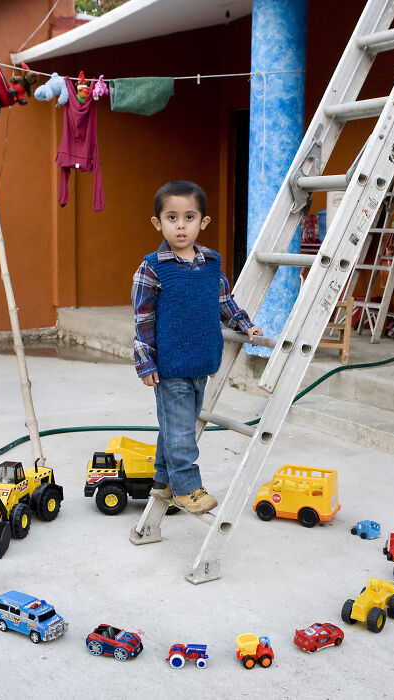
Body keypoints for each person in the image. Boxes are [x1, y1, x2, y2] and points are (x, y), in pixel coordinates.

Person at [132, 180, 262, 514]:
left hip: (203, 362)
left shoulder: (211, 264)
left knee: (179, 427)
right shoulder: (152, 268)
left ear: (202, 222)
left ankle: (163, 480)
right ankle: (187, 487)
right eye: (171, 217)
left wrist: (245, 325)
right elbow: (143, 319)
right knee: (180, 431)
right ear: (157, 223)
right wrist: (146, 362)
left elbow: (224, 302)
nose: (180, 225)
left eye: (189, 217)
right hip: (171, 367)